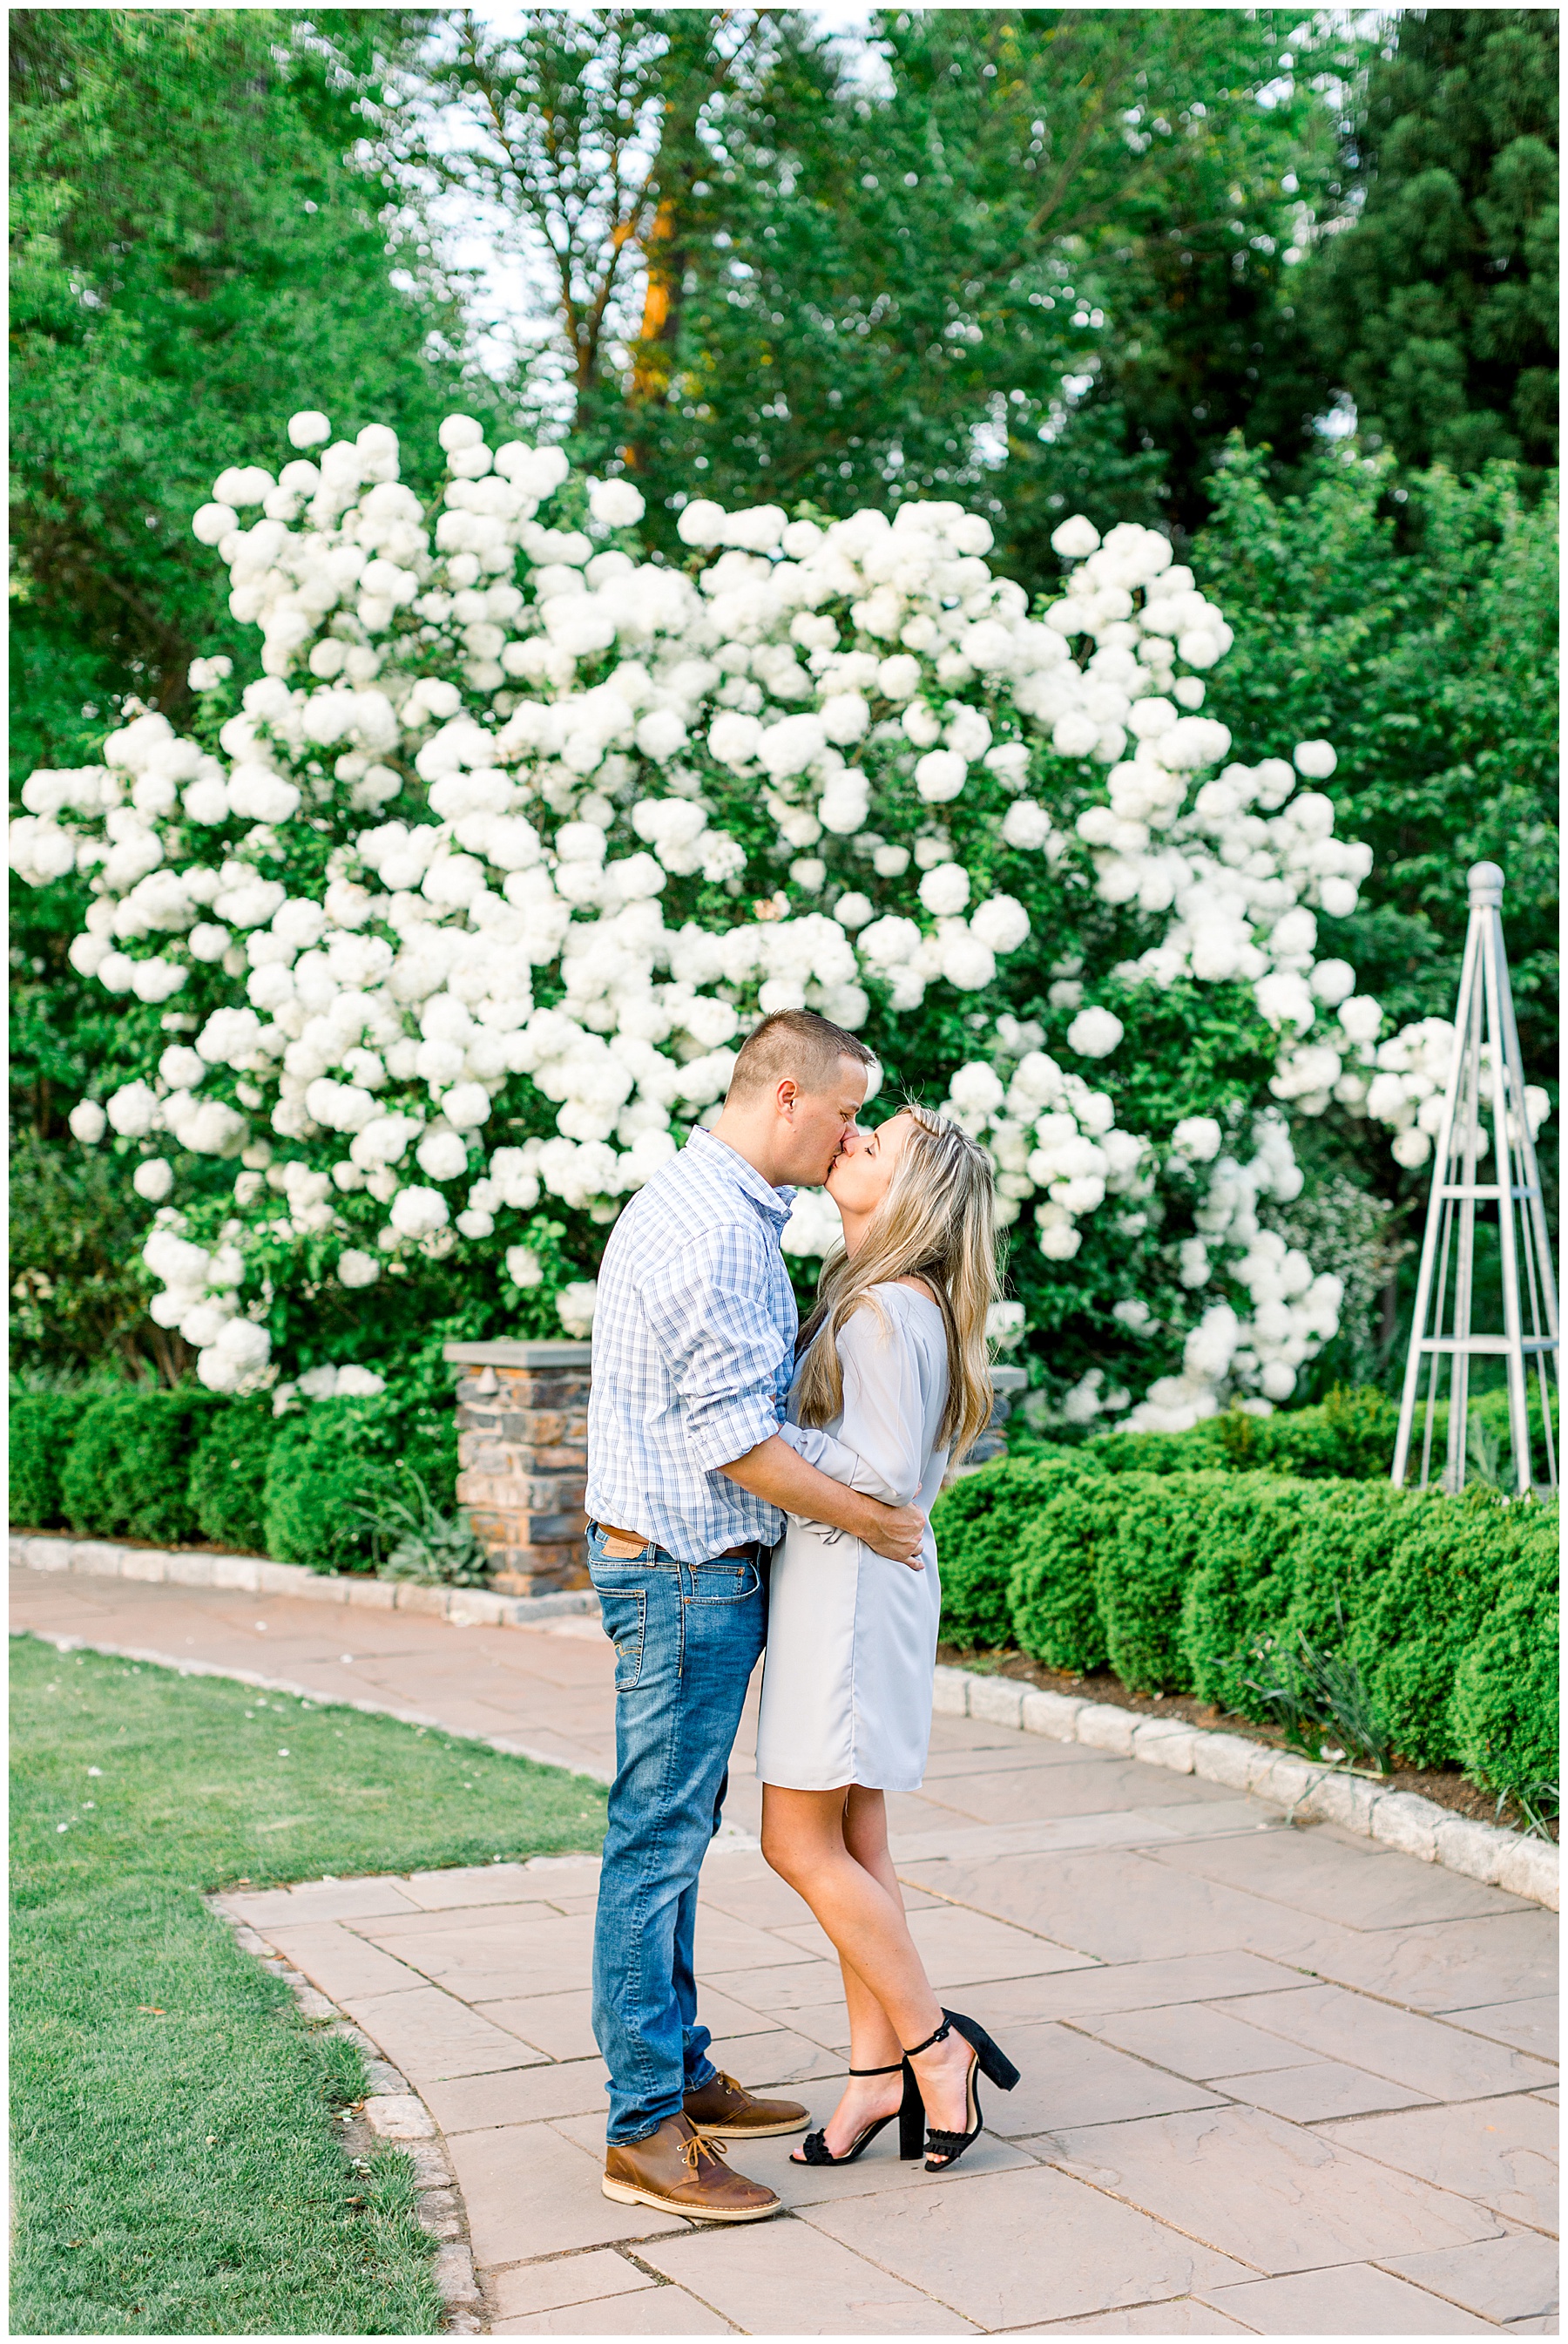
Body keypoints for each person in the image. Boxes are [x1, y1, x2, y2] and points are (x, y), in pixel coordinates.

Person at [584, 1009, 929, 2225]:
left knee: (671, 1835)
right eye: (844, 1112)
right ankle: (644, 2129)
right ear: (788, 1096)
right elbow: (741, 1443)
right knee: (656, 1844)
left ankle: (677, 2070)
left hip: (679, 1565)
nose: (849, 1137)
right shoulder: (718, 1237)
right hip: (680, 1570)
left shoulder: (717, 1207)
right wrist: (875, 1520)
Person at [756, 1104, 1021, 2173]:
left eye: (884, 1141)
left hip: (852, 1595)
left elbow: (881, 1469)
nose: (855, 1137)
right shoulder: (882, 1300)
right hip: (850, 1584)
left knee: (796, 1841)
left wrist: (759, 1441)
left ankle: (933, 2047)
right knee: (855, 1840)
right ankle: (875, 2076)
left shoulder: (882, 1311)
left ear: (915, 1191)